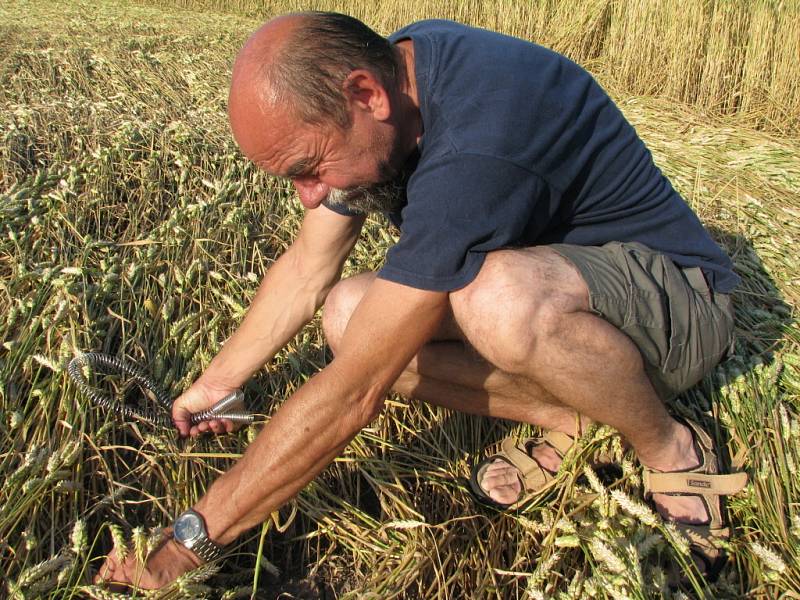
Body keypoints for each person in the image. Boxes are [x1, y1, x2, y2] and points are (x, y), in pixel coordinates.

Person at [96, 11, 747, 588]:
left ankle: (670, 447)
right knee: (350, 316)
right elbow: (307, 268)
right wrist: (217, 382)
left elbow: (355, 393)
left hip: (679, 306)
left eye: (308, 167)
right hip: (568, 288)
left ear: (364, 93)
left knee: (498, 301)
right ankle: (578, 422)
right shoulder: (394, 83)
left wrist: (190, 542)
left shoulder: (475, 140)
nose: (309, 195)